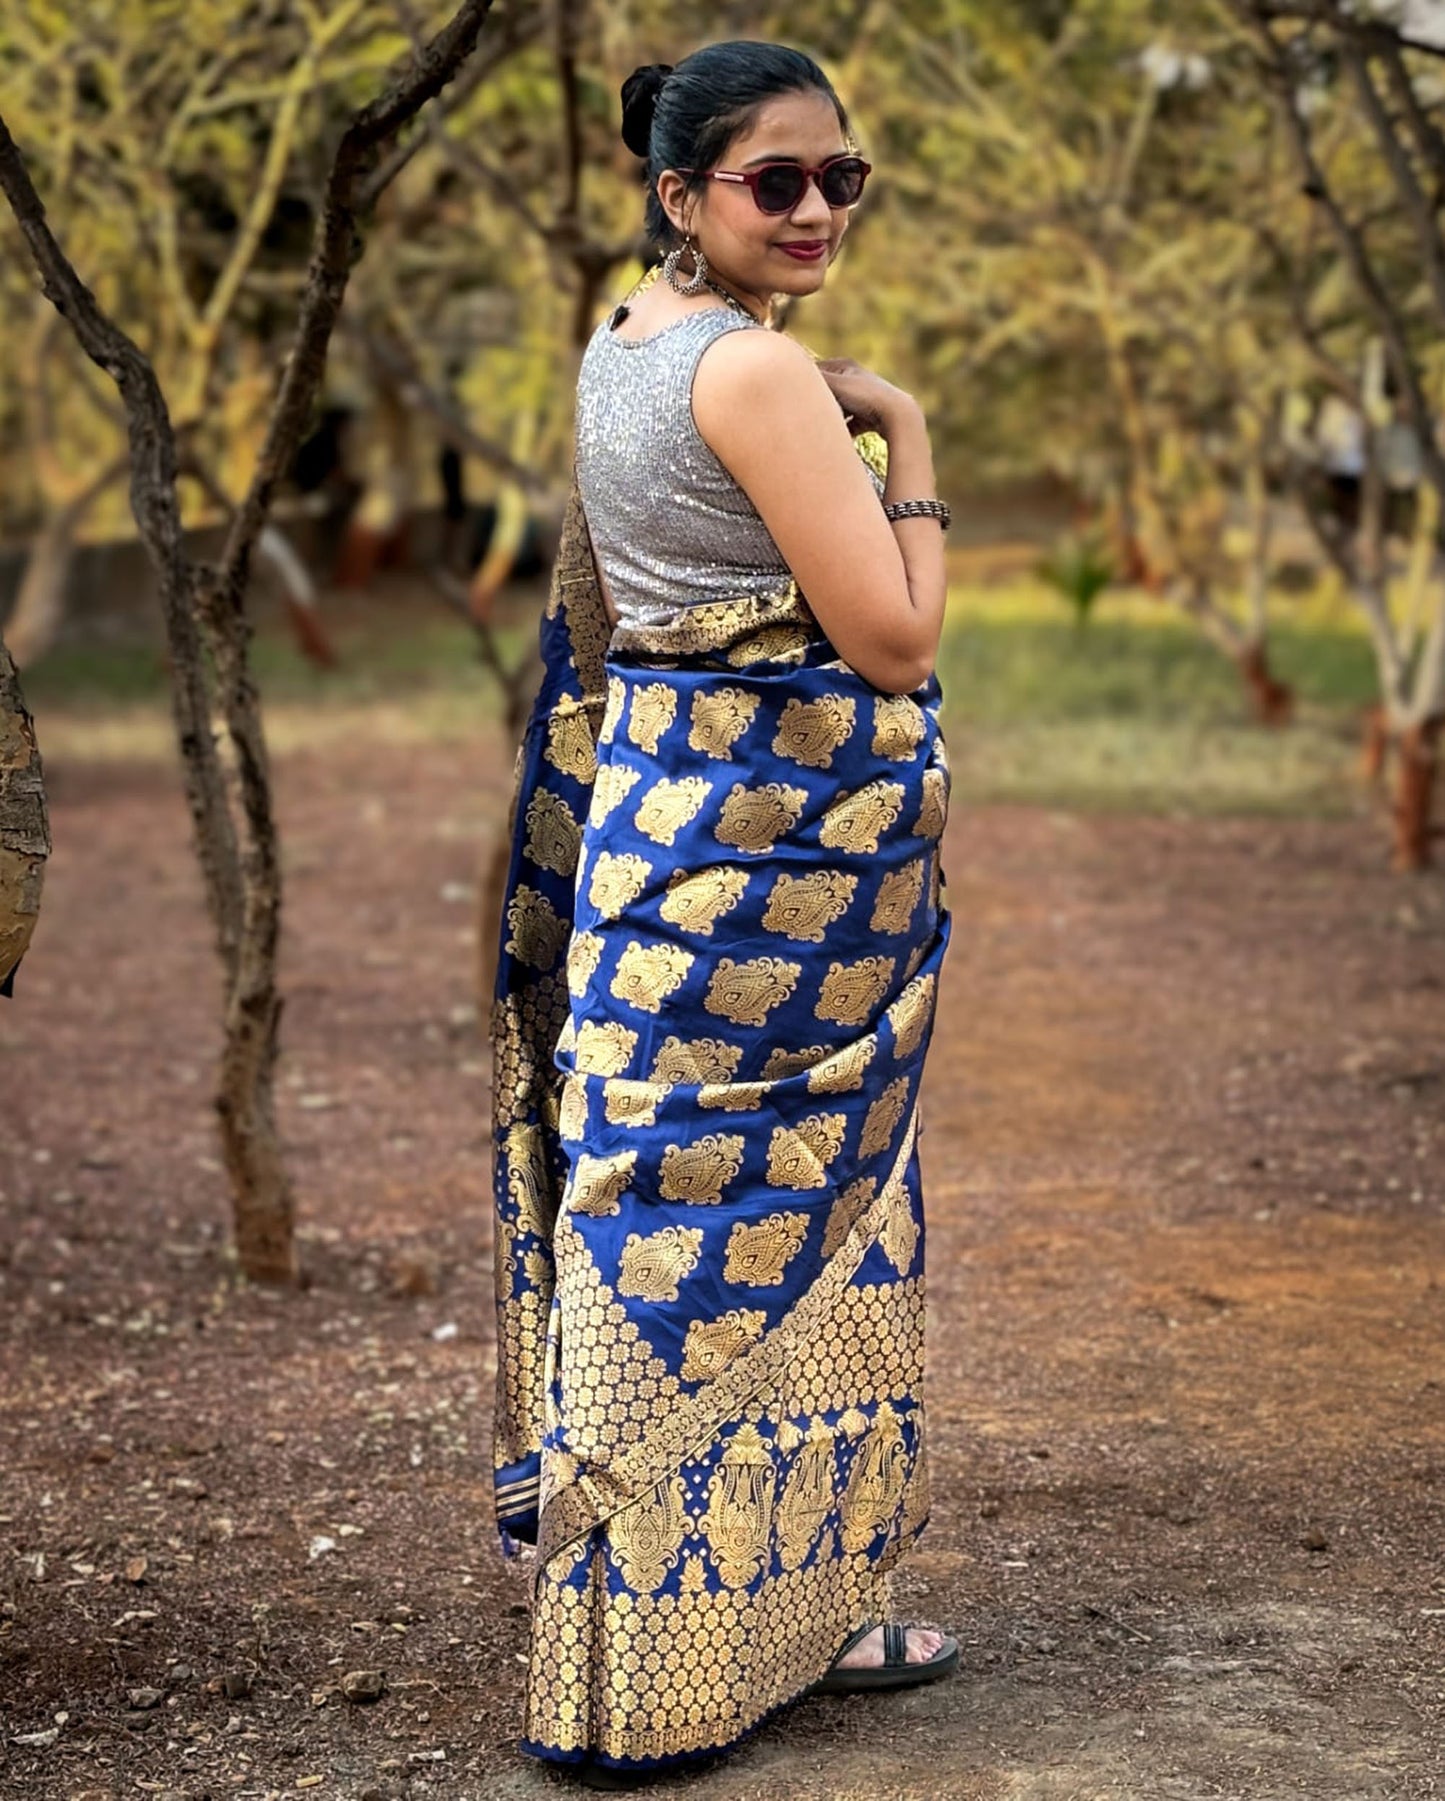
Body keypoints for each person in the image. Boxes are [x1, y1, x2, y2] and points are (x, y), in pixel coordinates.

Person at [489, 39, 956, 1790]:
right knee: (784, 1225)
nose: (821, 206)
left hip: (665, 839)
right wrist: (902, 429)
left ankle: (708, 1639)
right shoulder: (761, 375)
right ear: (681, 195)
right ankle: (706, 1647)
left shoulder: (626, 337)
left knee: (666, 1213)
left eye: (846, 177)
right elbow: (895, 637)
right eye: (778, 181)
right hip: (781, 882)